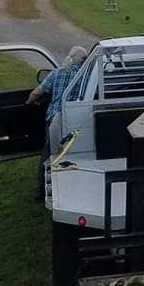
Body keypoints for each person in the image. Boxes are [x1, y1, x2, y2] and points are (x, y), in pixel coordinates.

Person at [27, 45, 88, 198]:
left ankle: (43, 189)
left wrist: (28, 103)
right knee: (73, 154)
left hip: (54, 119)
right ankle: (72, 186)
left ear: (70, 57)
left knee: (50, 154)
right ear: (83, 60)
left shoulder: (57, 72)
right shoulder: (84, 76)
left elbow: (36, 93)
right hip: (75, 121)